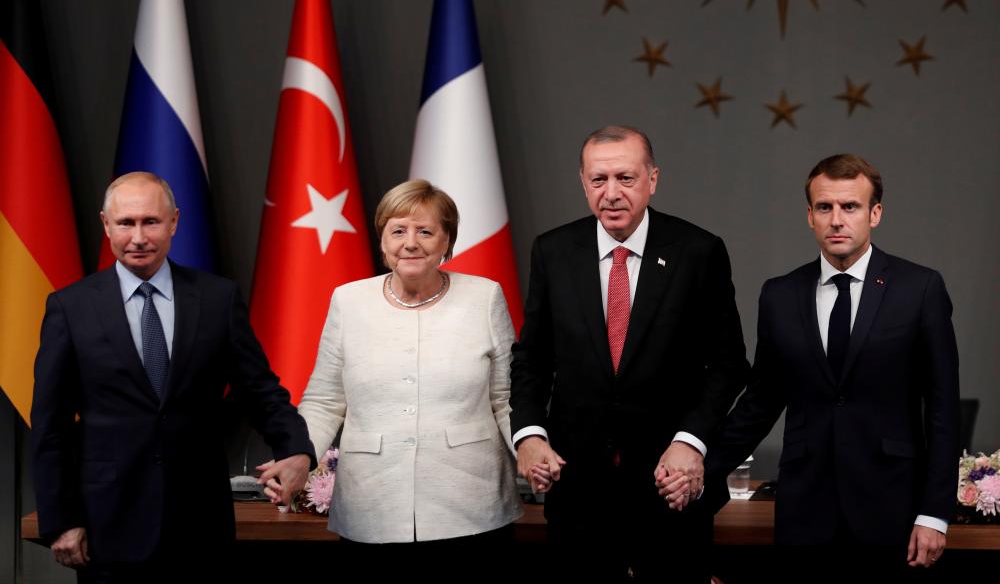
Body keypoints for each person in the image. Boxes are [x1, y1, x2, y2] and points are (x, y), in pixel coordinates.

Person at [30, 172, 314, 583]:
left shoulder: (218, 299)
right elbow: (50, 426)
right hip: (107, 527)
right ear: (106, 225)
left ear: (175, 222)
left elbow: (260, 391)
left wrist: (297, 449)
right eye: (126, 223)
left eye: (151, 221)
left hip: (200, 524)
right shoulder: (69, 308)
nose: (139, 237)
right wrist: (61, 520)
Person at [509, 126, 749, 582]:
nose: (612, 193)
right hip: (579, 486)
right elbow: (533, 359)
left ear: (652, 179)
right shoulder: (554, 251)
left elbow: (729, 364)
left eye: (626, 178)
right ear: (583, 182)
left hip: (669, 484)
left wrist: (690, 441)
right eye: (599, 180)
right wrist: (530, 434)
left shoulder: (698, 251)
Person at [705, 154, 960, 581]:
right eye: (825, 208)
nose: (836, 220)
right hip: (805, 511)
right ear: (810, 216)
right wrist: (701, 468)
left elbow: (942, 408)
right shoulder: (780, 295)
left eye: (850, 207)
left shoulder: (921, 289)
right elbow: (762, 401)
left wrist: (934, 513)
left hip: (891, 509)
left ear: (875, 213)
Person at [285, 179, 522, 575]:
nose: (411, 242)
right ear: (383, 241)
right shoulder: (348, 300)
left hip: (472, 508)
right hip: (371, 508)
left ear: (447, 241)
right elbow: (325, 400)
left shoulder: (485, 297)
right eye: (398, 230)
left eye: (426, 231)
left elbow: (506, 398)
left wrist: (532, 453)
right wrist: (298, 456)